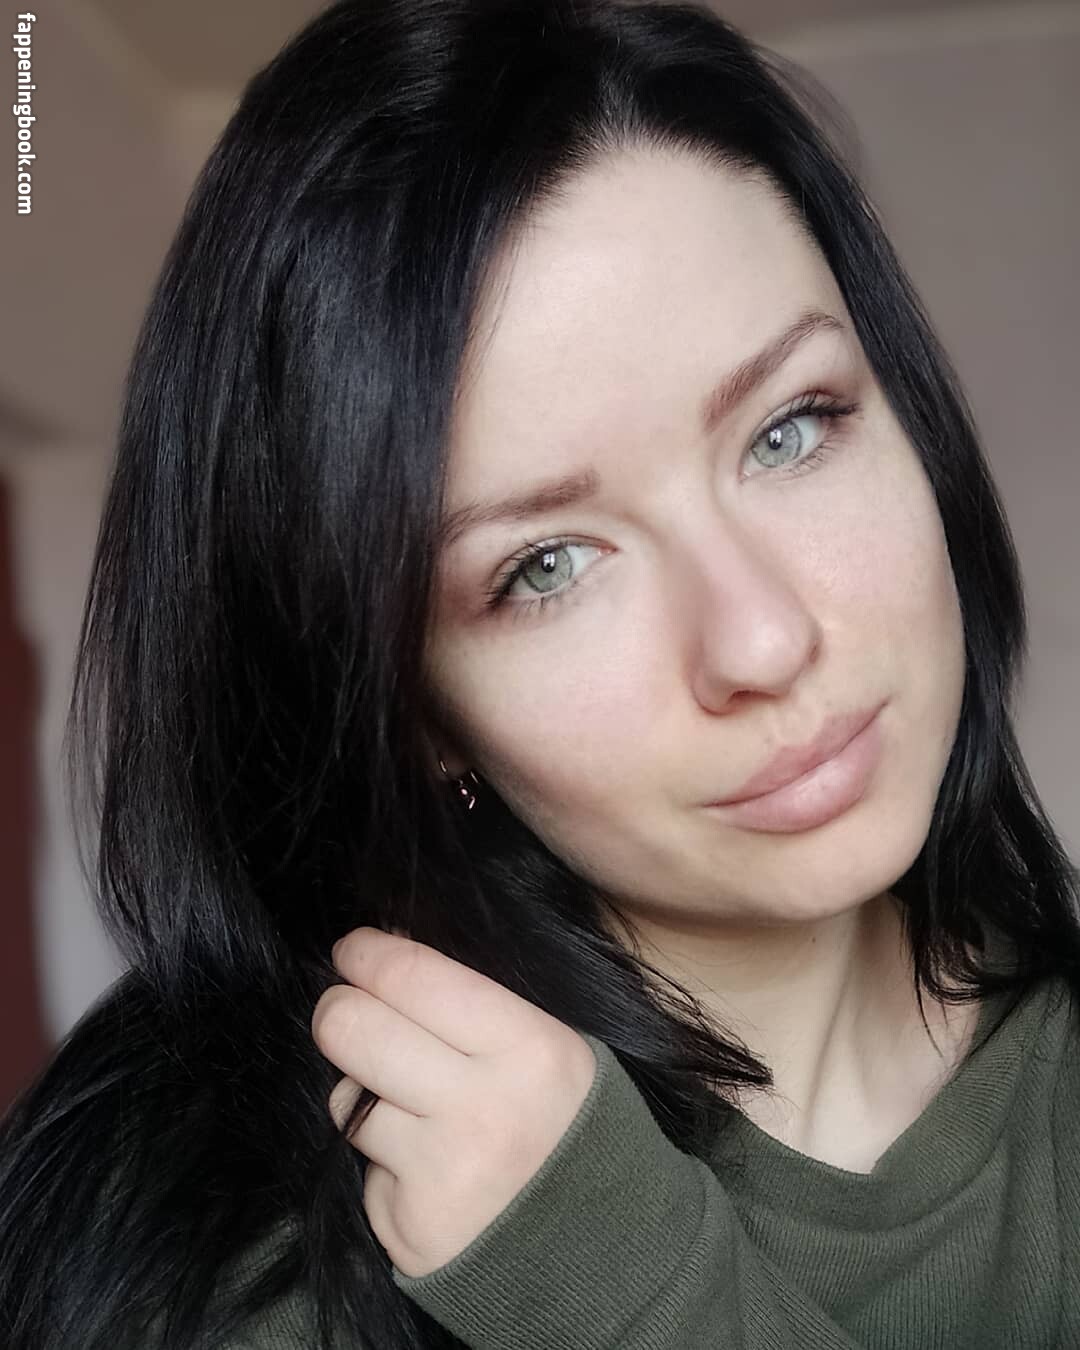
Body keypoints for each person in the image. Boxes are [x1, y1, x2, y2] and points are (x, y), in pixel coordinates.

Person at [1, 0, 1077, 1346]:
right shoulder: (258, 1280)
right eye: (548, 566)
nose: (762, 642)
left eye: (792, 429)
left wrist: (630, 1289)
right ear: (415, 713)